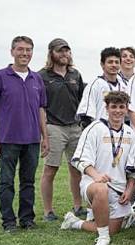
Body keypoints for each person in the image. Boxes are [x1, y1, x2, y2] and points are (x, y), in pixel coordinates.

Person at [0, 36, 49, 232]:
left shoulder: (36, 78)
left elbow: (41, 110)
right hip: (7, 139)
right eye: (20, 49)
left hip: (31, 140)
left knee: (28, 182)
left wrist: (45, 137)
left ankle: (27, 219)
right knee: (6, 181)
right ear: (12, 51)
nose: (25, 53)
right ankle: (8, 221)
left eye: (28, 50)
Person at [60, 91, 135, 245]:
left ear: (127, 109)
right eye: (113, 107)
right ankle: (102, 237)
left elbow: (133, 168)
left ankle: (75, 222)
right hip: (93, 185)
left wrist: (129, 190)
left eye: (121, 107)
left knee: (114, 229)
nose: (117, 111)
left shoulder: (131, 133)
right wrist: (96, 176)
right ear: (106, 108)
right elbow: (79, 160)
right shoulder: (94, 128)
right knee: (101, 190)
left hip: (119, 189)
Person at [38, 38, 85, 221]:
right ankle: (48, 211)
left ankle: (78, 205)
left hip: (75, 127)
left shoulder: (75, 74)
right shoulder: (41, 76)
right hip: (54, 127)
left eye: (67, 51)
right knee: (50, 169)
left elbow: (82, 102)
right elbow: (39, 106)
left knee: (77, 168)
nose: (64, 54)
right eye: (60, 51)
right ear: (51, 53)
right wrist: (43, 133)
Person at [76, 47, 126, 125]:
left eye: (117, 62)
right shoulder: (95, 84)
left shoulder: (124, 85)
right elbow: (85, 115)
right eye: (110, 62)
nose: (114, 65)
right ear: (102, 64)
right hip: (100, 131)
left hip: (119, 132)